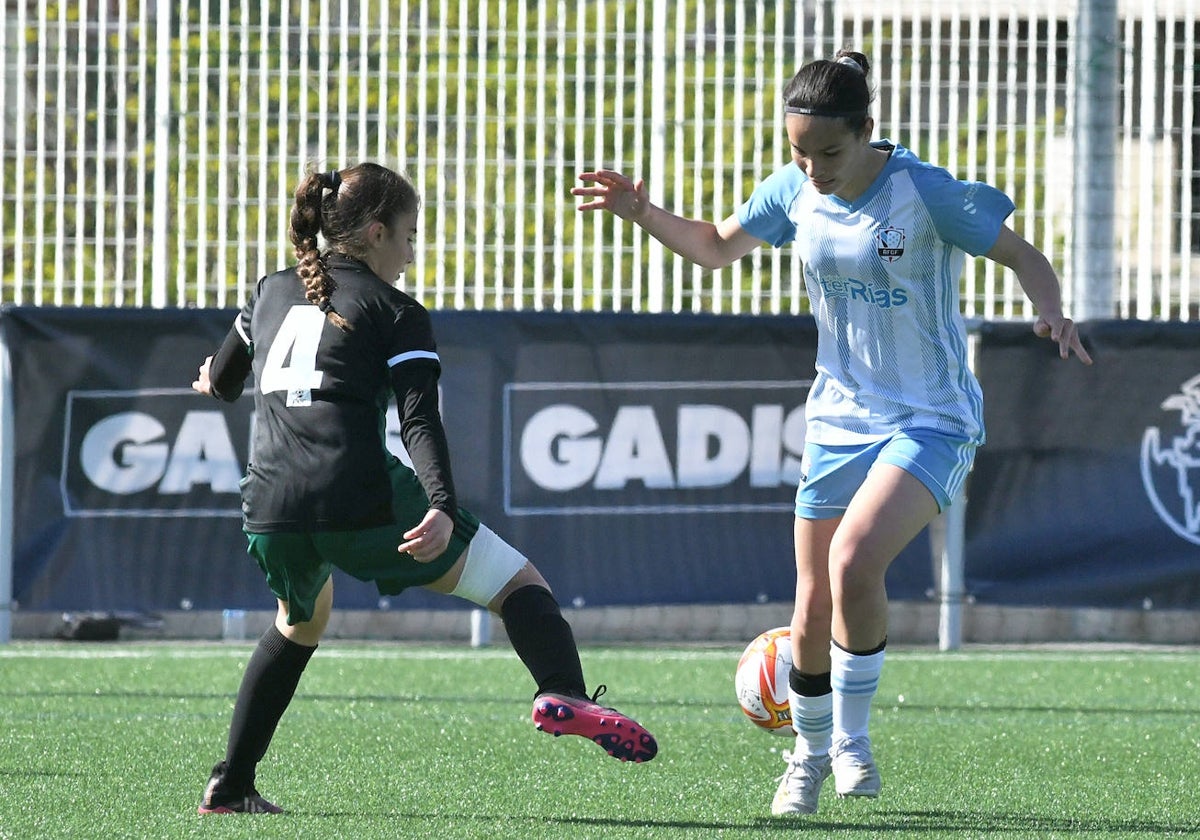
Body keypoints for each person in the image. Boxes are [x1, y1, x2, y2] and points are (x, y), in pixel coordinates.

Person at [573, 49, 1091, 817]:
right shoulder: (796, 191)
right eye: (798, 152)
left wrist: (1050, 307)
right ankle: (809, 756)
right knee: (811, 605)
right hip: (839, 418)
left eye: (829, 152)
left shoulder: (924, 194)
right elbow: (716, 248)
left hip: (931, 417)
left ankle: (852, 738)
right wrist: (640, 211)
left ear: (867, 132)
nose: (812, 169)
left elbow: (1022, 254)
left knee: (854, 560)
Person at [191, 162, 657, 815]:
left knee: (299, 623)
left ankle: (231, 783)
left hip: (267, 505)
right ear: (377, 232)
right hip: (358, 496)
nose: (411, 255)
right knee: (518, 584)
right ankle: (563, 691)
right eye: (409, 236)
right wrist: (440, 504)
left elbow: (224, 377)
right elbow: (418, 420)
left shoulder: (269, 290)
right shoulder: (394, 310)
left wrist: (212, 379)